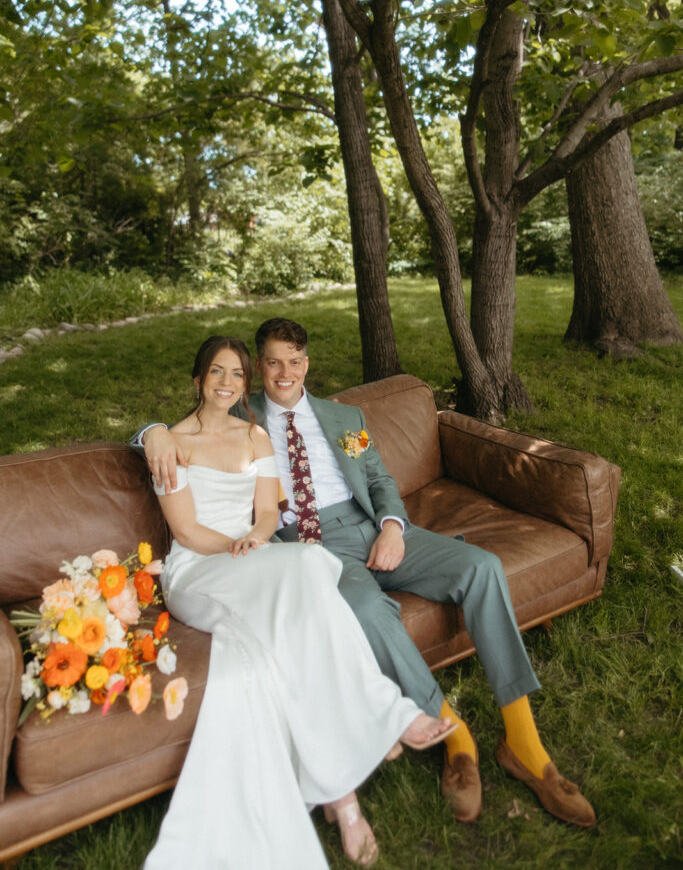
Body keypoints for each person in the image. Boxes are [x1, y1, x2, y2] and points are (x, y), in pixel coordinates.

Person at [136, 318, 596, 830]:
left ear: (306, 364)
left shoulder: (343, 418)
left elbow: (378, 479)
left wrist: (393, 527)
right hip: (308, 548)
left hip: (372, 527)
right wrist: (150, 431)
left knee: (483, 568)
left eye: (294, 361)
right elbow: (188, 430)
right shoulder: (246, 417)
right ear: (257, 370)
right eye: (271, 362)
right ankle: (455, 738)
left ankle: (525, 743)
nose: (283, 372)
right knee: (366, 609)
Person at [141, 335, 455, 870]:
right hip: (200, 566)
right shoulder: (172, 442)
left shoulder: (264, 434)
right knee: (311, 567)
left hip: (254, 556)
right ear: (198, 380)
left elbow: (267, 514)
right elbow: (187, 530)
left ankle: (343, 797)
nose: (226, 383)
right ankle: (381, 717)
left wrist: (256, 540)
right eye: (217, 373)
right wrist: (150, 434)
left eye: (236, 375)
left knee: (305, 587)